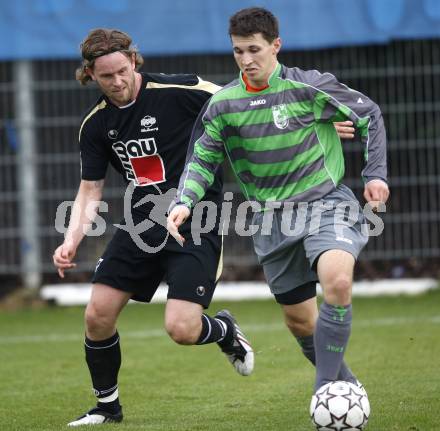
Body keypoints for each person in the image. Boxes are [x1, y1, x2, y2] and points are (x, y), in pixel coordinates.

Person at [167, 6, 390, 402]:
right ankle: (345, 389)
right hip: (271, 221)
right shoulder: (223, 105)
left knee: (337, 279)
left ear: (276, 46)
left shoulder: (308, 87)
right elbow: (201, 159)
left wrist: (375, 174)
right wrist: (184, 200)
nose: (246, 59)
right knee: (300, 321)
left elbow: (367, 114)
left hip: (325, 204)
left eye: (254, 49)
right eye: (238, 51)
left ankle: (324, 390)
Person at [52, 28, 255, 427]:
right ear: (90, 74)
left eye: (123, 71)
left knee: (181, 328)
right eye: (107, 76)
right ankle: (107, 409)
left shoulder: (181, 91)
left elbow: (244, 102)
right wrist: (71, 238)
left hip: (196, 219)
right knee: (97, 314)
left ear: (134, 61)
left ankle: (225, 331)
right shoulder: (95, 126)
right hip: (142, 223)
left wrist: (305, 122)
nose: (118, 81)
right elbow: (90, 190)